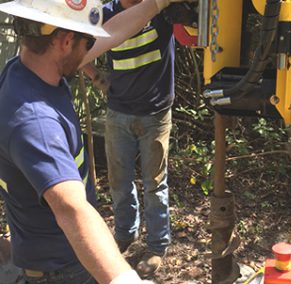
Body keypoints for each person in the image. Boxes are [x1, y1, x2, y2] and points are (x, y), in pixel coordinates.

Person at [0, 0, 189, 283]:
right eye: (88, 42)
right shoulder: (35, 121)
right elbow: (72, 211)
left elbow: (113, 31)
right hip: (63, 270)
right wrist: (125, 279)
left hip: (61, 257)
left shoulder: (26, 70)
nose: (92, 50)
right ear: (65, 41)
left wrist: (156, 4)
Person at [83, 0, 175, 278]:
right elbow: (78, 48)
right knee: (119, 181)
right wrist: (97, 76)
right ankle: (124, 234)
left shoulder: (160, 9)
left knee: (154, 183)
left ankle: (157, 246)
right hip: (119, 111)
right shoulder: (106, 15)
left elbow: (191, 28)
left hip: (156, 113)